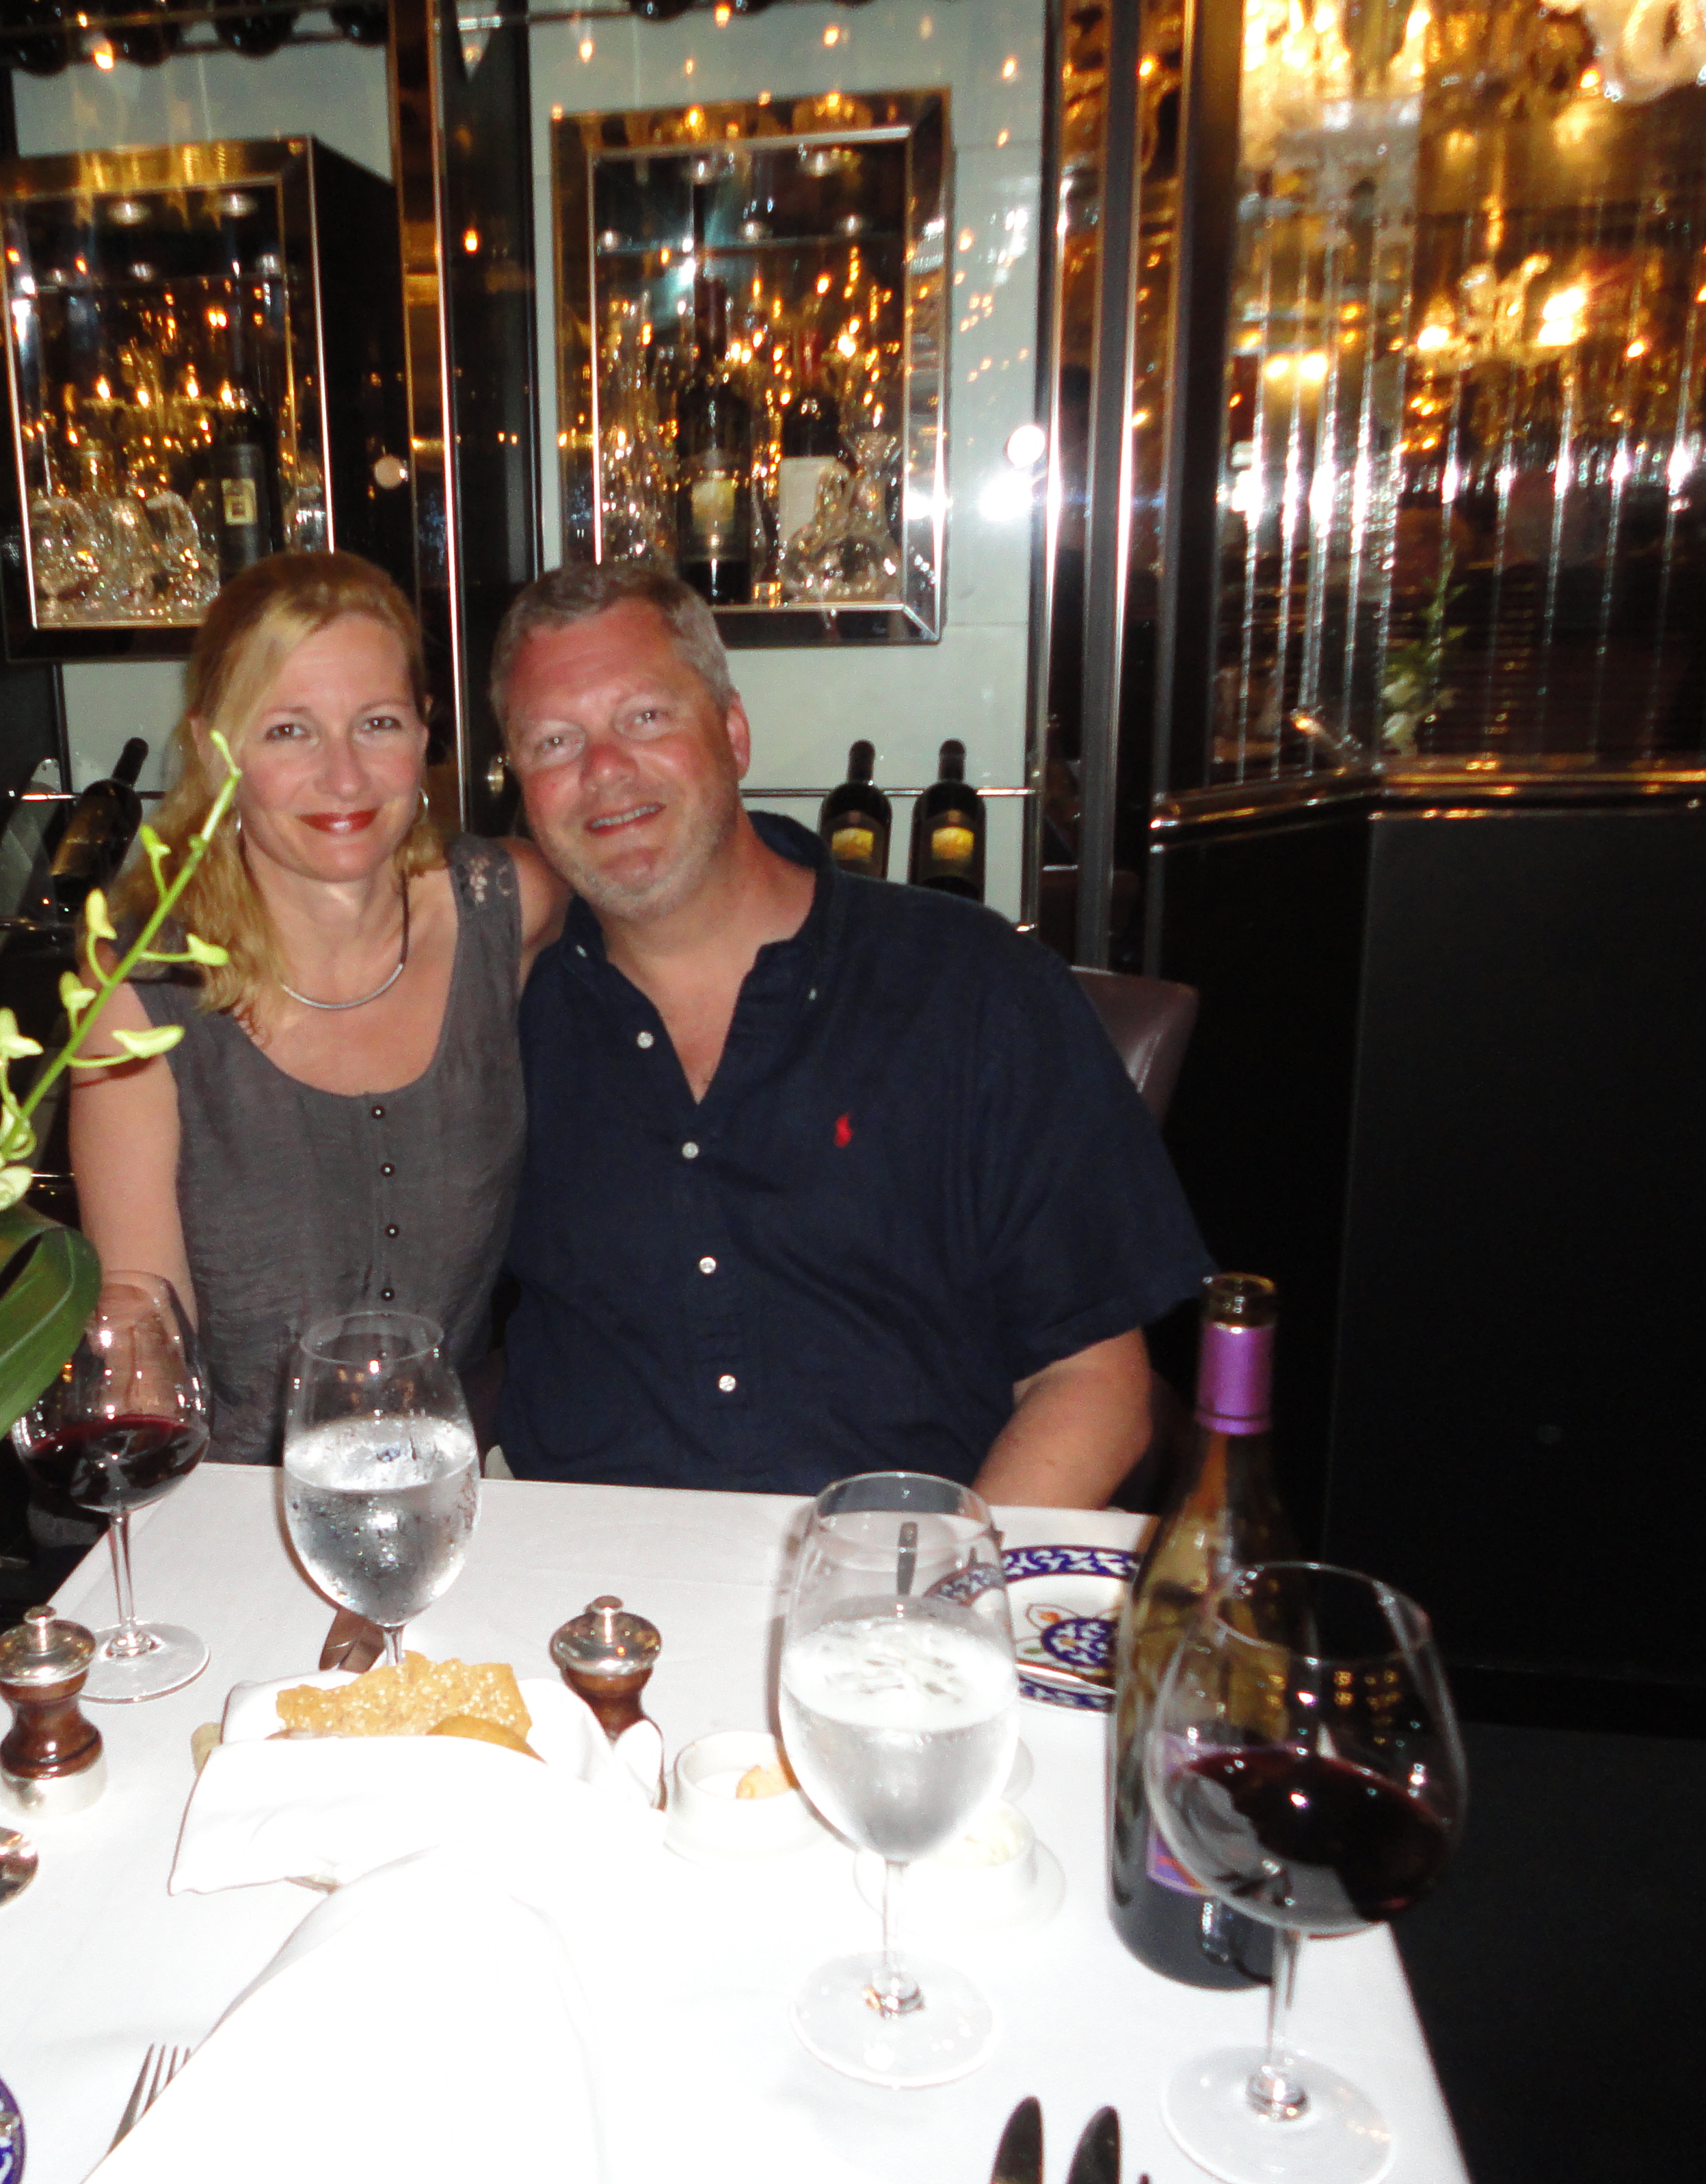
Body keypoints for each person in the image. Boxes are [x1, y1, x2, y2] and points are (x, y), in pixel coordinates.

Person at [490, 563, 1209, 1505]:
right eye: (554, 741)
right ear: (522, 785)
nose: (604, 770)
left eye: (646, 717)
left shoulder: (973, 987)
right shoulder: (501, 1010)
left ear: (733, 733)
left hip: (915, 1553)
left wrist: (942, 1581)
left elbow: (1094, 1384)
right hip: (577, 1571)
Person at [70, 552, 565, 1463]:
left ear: (423, 731)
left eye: (377, 723)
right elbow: (139, 1334)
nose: (344, 778)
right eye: (289, 731)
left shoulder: (510, 906)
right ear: (216, 750)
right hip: (226, 1506)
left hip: (450, 1488)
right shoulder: (144, 990)